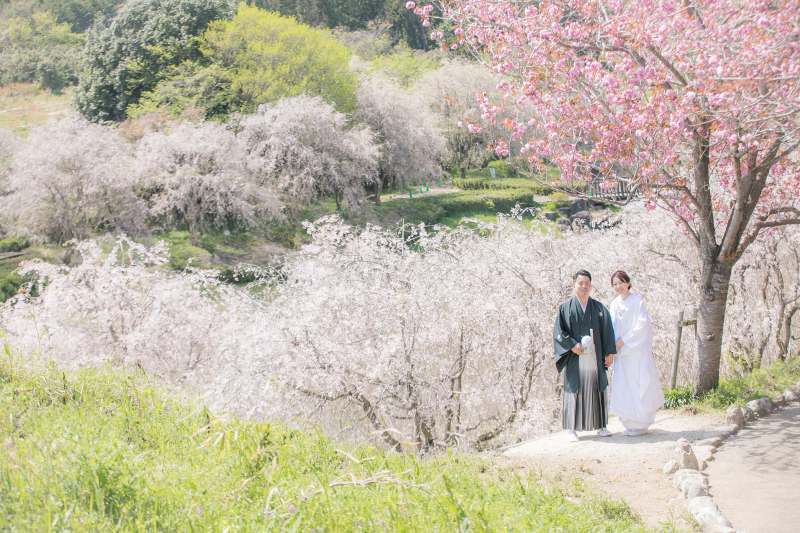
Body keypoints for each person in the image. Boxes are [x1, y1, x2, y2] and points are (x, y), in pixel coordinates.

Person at [553, 270, 617, 442]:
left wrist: (610, 353)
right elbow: (559, 333)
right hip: (575, 357)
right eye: (581, 283)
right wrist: (572, 345)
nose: (584, 286)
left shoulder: (599, 308)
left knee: (597, 388)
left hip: (595, 357)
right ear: (574, 286)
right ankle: (571, 429)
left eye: (587, 283)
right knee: (575, 390)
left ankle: (601, 425)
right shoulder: (565, 309)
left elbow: (608, 331)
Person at [608, 270, 665, 436]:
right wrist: (611, 345)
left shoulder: (636, 301)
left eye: (621, 282)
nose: (618, 287)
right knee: (624, 385)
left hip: (634, 351)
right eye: (615, 284)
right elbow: (611, 326)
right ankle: (629, 421)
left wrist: (624, 340)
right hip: (621, 353)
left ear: (628, 283)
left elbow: (642, 325)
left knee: (637, 384)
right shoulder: (614, 304)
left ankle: (641, 421)